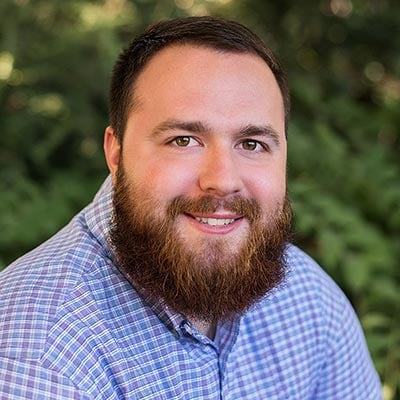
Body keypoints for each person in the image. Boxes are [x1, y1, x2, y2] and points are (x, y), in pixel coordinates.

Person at [0, 16, 381, 399]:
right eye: (183, 140)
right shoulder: (39, 352)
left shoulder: (309, 300)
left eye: (251, 144)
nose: (222, 179)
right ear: (115, 153)